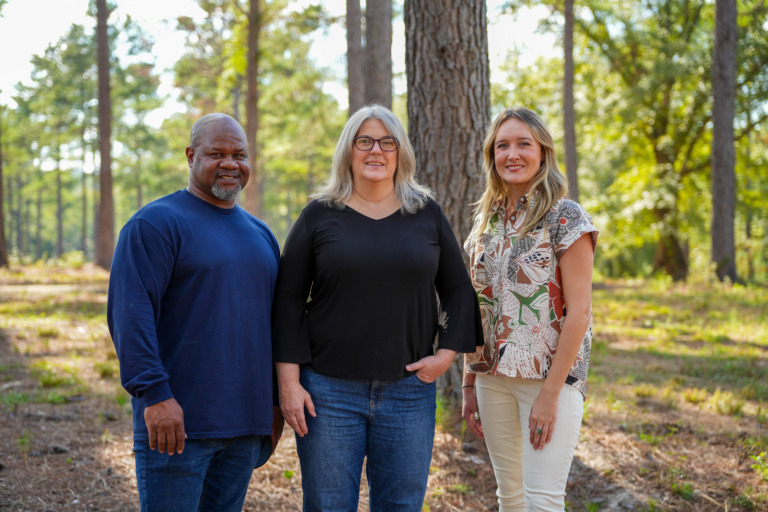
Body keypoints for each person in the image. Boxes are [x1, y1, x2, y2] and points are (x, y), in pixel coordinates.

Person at [272, 104, 483, 512]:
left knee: (401, 506)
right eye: (364, 141)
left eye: (388, 142)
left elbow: (457, 288)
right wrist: (289, 382)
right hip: (328, 393)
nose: (376, 151)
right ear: (348, 151)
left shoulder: (426, 213)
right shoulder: (319, 215)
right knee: (328, 505)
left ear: (400, 152)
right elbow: (288, 298)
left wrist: (445, 356)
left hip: (409, 393)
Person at [107, 113, 284, 512]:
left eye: (239, 154)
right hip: (177, 425)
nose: (230, 163)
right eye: (216, 153)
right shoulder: (154, 224)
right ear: (191, 156)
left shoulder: (261, 235)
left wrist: (273, 405)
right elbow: (129, 317)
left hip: (245, 426)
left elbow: (273, 327)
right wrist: (155, 396)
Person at [461, 107, 598, 512]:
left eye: (524, 143)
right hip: (491, 380)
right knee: (511, 497)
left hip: (547, 380)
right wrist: (470, 384)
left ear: (543, 152)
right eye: (503, 145)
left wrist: (551, 395)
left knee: (542, 500)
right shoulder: (486, 224)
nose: (513, 154)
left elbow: (580, 313)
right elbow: (478, 308)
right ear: (492, 156)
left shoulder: (565, 217)